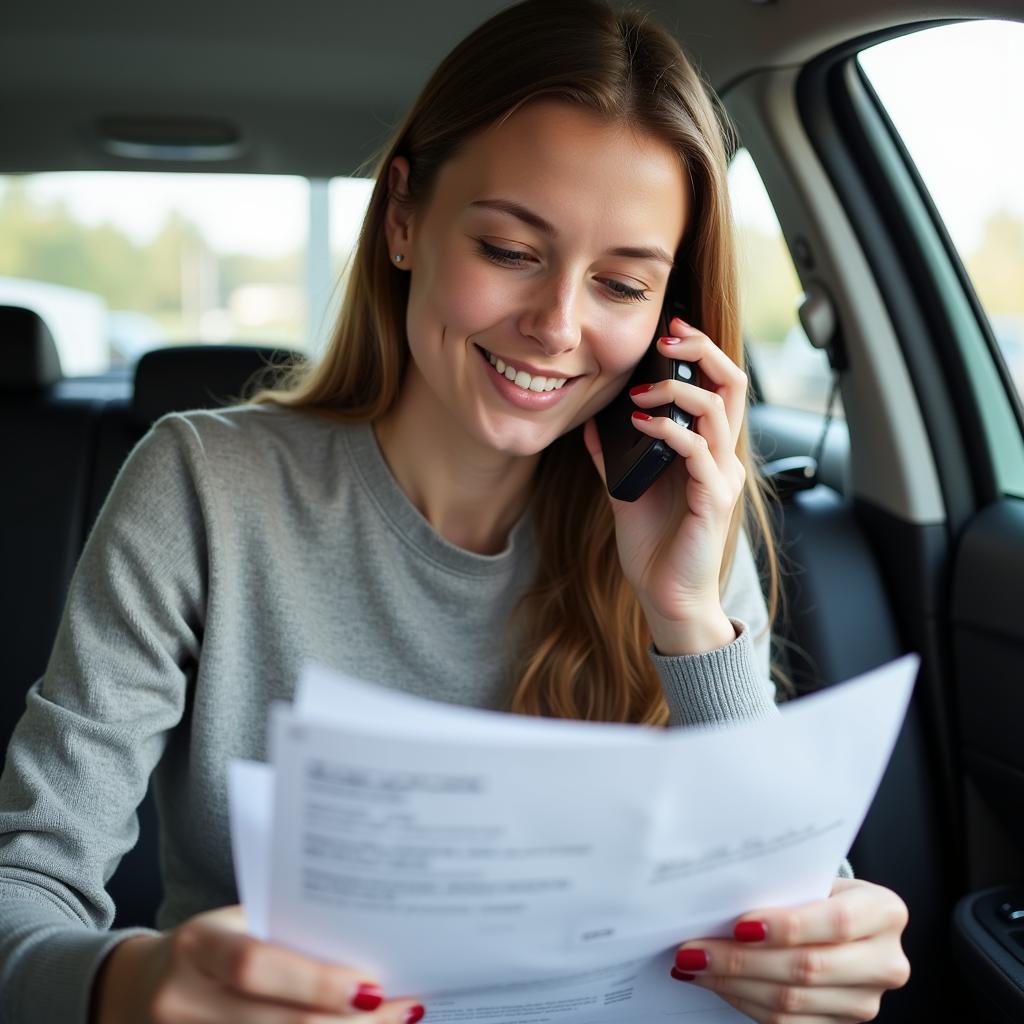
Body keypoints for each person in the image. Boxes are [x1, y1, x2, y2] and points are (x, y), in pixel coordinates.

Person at [0, 1, 911, 1022]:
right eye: (511, 251)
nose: (558, 325)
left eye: (620, 282)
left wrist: (686, 614)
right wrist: (135, 983)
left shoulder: (677, 519)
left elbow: (786, 901)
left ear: (669, 320)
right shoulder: (204, 485)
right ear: (403, 220)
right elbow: (21, 888)